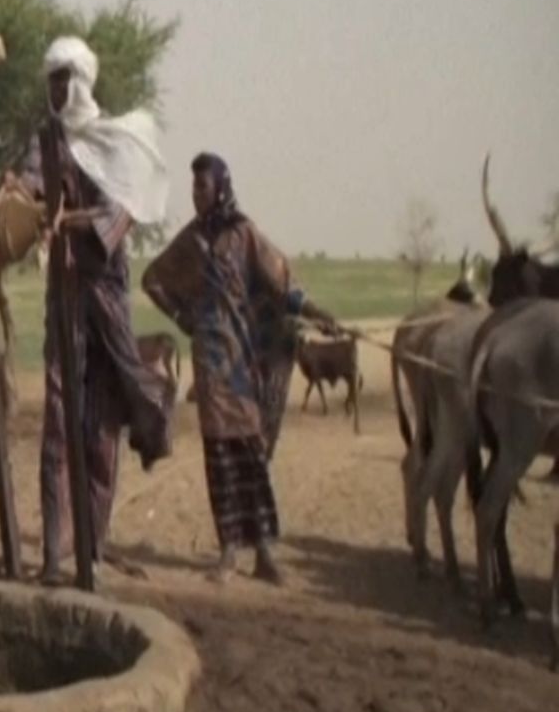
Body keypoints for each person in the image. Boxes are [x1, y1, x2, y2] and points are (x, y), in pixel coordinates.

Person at [142, 153, 339, 584]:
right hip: (210, 365)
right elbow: (152, 279)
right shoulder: (190, 241)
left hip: (243, 364)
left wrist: (317, 312)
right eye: (193, 187)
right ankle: (229, 551)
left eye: (203, 187)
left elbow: (281, 283)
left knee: (252, 452)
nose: (196, 195)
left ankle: (264, 553)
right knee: (220, 456)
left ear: (221, 188)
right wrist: (182, 318)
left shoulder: (243, 234)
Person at [23, 36, 175, 582]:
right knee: (57, 422)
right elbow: (29, 192)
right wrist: (14, 203)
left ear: (81, 82)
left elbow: (119, 215)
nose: (55, 89)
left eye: (63, 79)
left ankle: (93, 549)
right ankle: (52, 555)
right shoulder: (47, 142)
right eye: (51, 80)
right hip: (63, 295)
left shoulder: (113, 141)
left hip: (105, 294)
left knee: (101, 429)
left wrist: (66, 221)